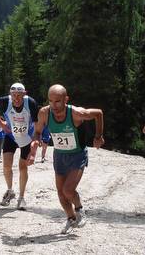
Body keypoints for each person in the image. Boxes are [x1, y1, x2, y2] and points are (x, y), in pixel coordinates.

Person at [29, 84, 104, 234]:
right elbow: (37, 131)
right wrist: (35, 141)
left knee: (68, 190)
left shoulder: (75, 113)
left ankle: (80, 210)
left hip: (77, 155)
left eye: (57, 101)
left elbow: (98, 113)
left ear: (66, 99)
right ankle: (71, 218)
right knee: (60, 193)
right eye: (50, 101)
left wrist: (98, 136)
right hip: (59, 156)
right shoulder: (44, 113)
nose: (53, 105)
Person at [0, 83, 39, 210]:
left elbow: (38, 123)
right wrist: (0, 122)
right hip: (11, 136)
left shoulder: (30, 103)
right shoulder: (6, 101)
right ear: (10, 94)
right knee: (6, 166)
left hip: (26, 138)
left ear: (24, 94)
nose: (16, 98)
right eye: (13, 95)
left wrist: (35, 142)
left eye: (19, 95)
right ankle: (10, 191)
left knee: (22, 168)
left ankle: (21, 198)